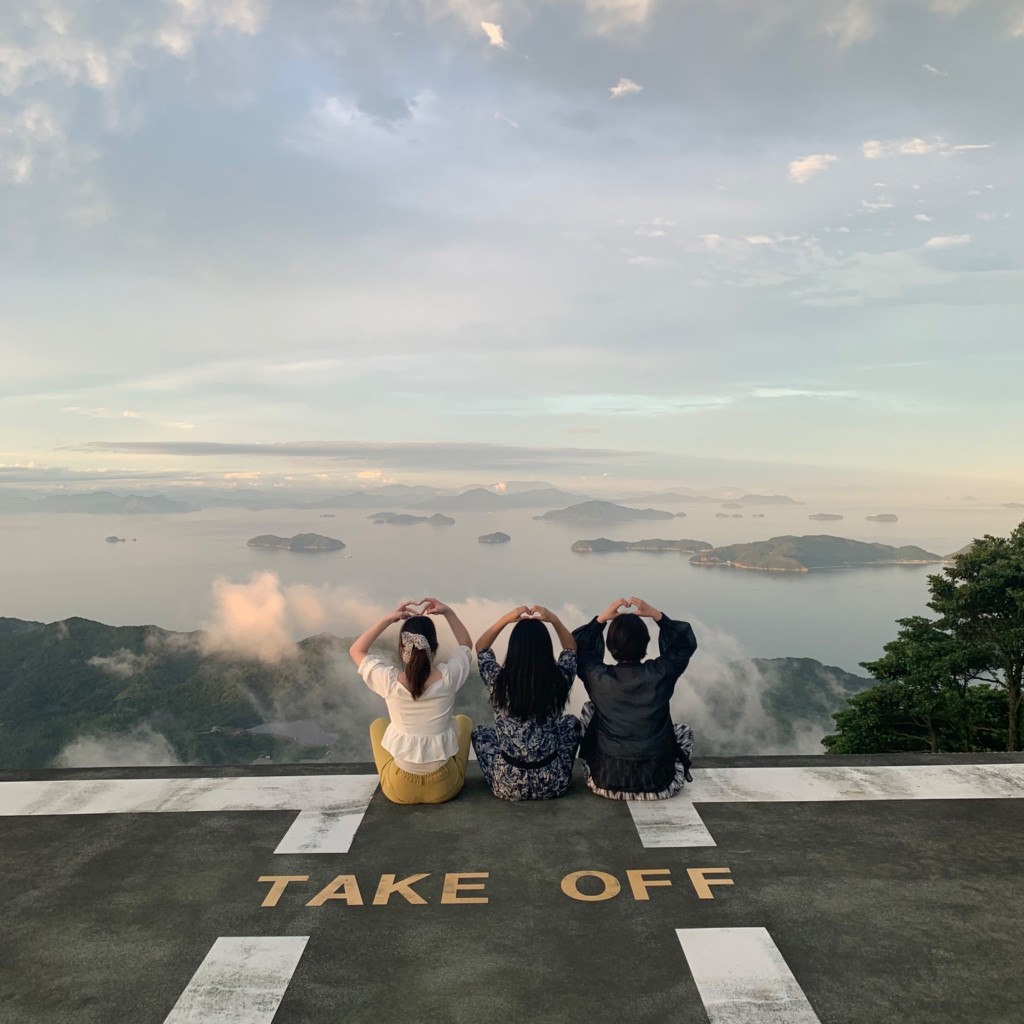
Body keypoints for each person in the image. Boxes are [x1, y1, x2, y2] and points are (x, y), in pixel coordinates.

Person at [348, 597, 473, 805]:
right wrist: (448, 612)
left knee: (378, 725)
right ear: (435, 648)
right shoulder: (449, 678)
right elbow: (466, 645)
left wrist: (388, 619)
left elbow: (356, 650)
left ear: (402, 649)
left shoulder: (389, 682)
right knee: (463, 721)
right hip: (444, 787)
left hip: (400, 790)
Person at [572, 596, 696, 801]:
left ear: (610, 646)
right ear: (646, 643)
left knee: (589, 709)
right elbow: (683, 644)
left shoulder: (598, 676)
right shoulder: (661, 673)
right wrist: (656, 615)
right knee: (683, 732)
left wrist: (601, 620)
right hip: (661, 786)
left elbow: (577, 647)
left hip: (604, 782)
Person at [471, 605, 582, 801]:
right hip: (553, 783)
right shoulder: (559, 679)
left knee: (480, 733)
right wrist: (553, 619)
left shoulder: (498, 680)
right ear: (546, 648)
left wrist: (506, 619)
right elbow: (571, 649)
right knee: (571, 722)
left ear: (514, 648)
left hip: (507, 784)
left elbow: (481, 647)